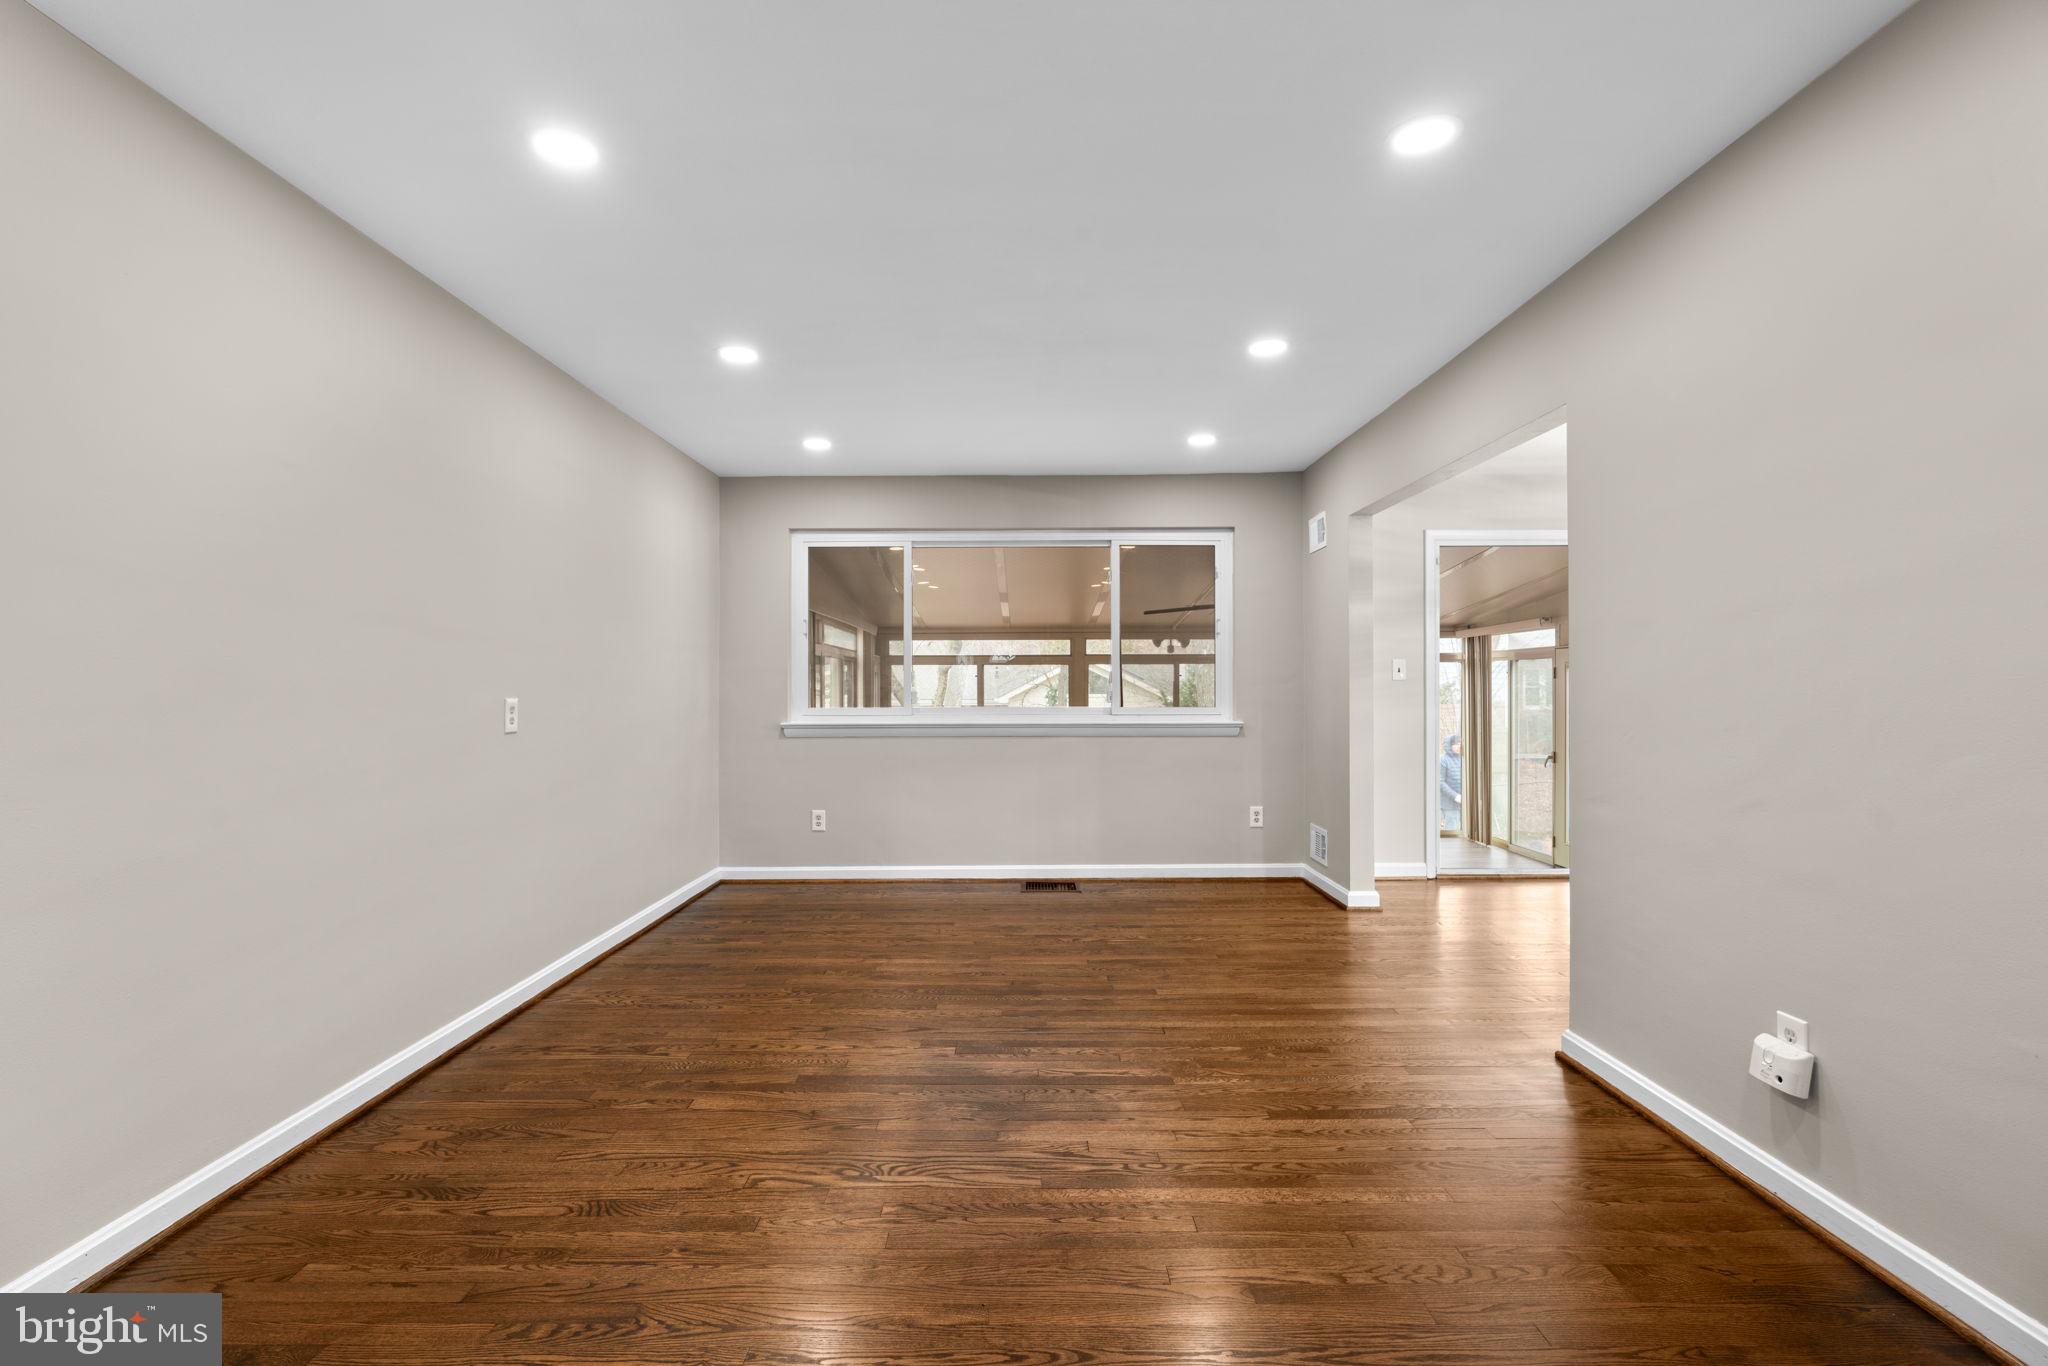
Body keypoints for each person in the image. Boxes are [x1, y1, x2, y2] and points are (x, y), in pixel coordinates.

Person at [1439, 733, 1464, 834]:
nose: (1459, 746)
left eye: (1460, 743)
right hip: (1450, 804)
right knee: (1452, 831)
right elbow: (1440, 782)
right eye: (1456, 744)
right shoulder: (1443, 760)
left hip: (1464, 802)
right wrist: (1455, 796)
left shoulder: (1463, 758)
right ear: (1449, 745)